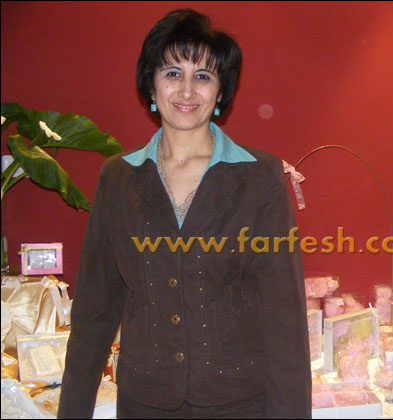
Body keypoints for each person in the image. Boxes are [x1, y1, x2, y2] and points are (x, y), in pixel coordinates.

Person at [58, 8, 311, 419]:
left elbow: (284, 318)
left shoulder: (259, 177)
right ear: (151, 84)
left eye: (203, 76)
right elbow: (94, 310)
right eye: (173, 73)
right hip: (145, 403)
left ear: (221, 92)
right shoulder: (118, 178)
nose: (187, 91)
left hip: (239, 404)